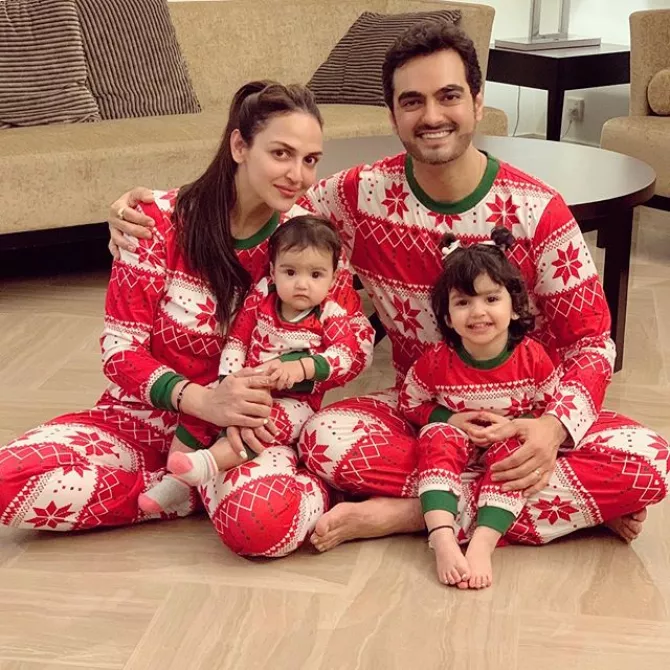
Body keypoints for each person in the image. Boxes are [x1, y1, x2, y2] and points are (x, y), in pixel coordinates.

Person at [106, 23, 667, 555]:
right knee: (323, 437)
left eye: (449, 96)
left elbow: (592, 344)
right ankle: (553, 503)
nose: (432, 116)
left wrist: (551, 428)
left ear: (477, 102)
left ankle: (410, 512)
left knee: (652, 459)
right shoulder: (357, 195)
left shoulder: (539, 211)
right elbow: (265, 204)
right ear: (394, 115)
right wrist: (156, 208)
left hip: (526, 417)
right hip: (422, 418)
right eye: (412, 101)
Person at [0, 80, 374, 558]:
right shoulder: (155, 221)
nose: (297, 174)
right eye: (281, 153)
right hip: (141, 420)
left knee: (260, 527)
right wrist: (202, 401)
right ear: (239, 146)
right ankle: (180, 492)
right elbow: (119, 353)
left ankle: (203, 485)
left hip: (246, 435)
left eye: (310, 160)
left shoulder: (308, 244)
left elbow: (353, 343)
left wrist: (295, 374)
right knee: (8, 482)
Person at [141, 215, 368, 514]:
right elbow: (238, 340)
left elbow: (345, 355)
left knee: (263, 419)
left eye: (316, 275)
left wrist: (302, 368)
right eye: (290, 272)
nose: (302, 284)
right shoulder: (261, 299)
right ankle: (176, 481)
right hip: (248, 383)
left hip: (294, 402)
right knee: (202, 405)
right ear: (273, 271)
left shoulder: (329, 314)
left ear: (333, 277)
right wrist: (228, 380)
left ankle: (207, 464)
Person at [399, 227, 558, 589]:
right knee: (436, 436)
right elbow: (410, 401)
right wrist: (450, 418)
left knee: (516, 452)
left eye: (491, 298)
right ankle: (442, 536)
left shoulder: (533, 358)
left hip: (505, 445)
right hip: (453, 446)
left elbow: (548, 407)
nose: (478, 312)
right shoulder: (436, 361)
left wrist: (515, 426)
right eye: (463, 302)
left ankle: (483, 542)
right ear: (447, 316)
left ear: (514, 307)